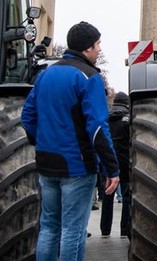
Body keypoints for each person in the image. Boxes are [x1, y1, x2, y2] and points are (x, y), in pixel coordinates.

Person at [21, 22, 120, 261]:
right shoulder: (89, 77)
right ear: (87, 48)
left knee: (49, 227)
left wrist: (40, 141)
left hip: (46, 163)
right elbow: (98, 128)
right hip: (77, 166)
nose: (99, 49)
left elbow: (27, 117)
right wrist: (112, 169)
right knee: (72, 230)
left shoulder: (46, 75)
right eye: (97, 44)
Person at [99, 89, 132, 238]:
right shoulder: (128, 119)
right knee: (126, 196)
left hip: (107, 162)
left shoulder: (105, 118)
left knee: (107, 196)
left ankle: (105, 230)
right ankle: (124, 230)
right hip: (125, 162)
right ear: (126, 104)